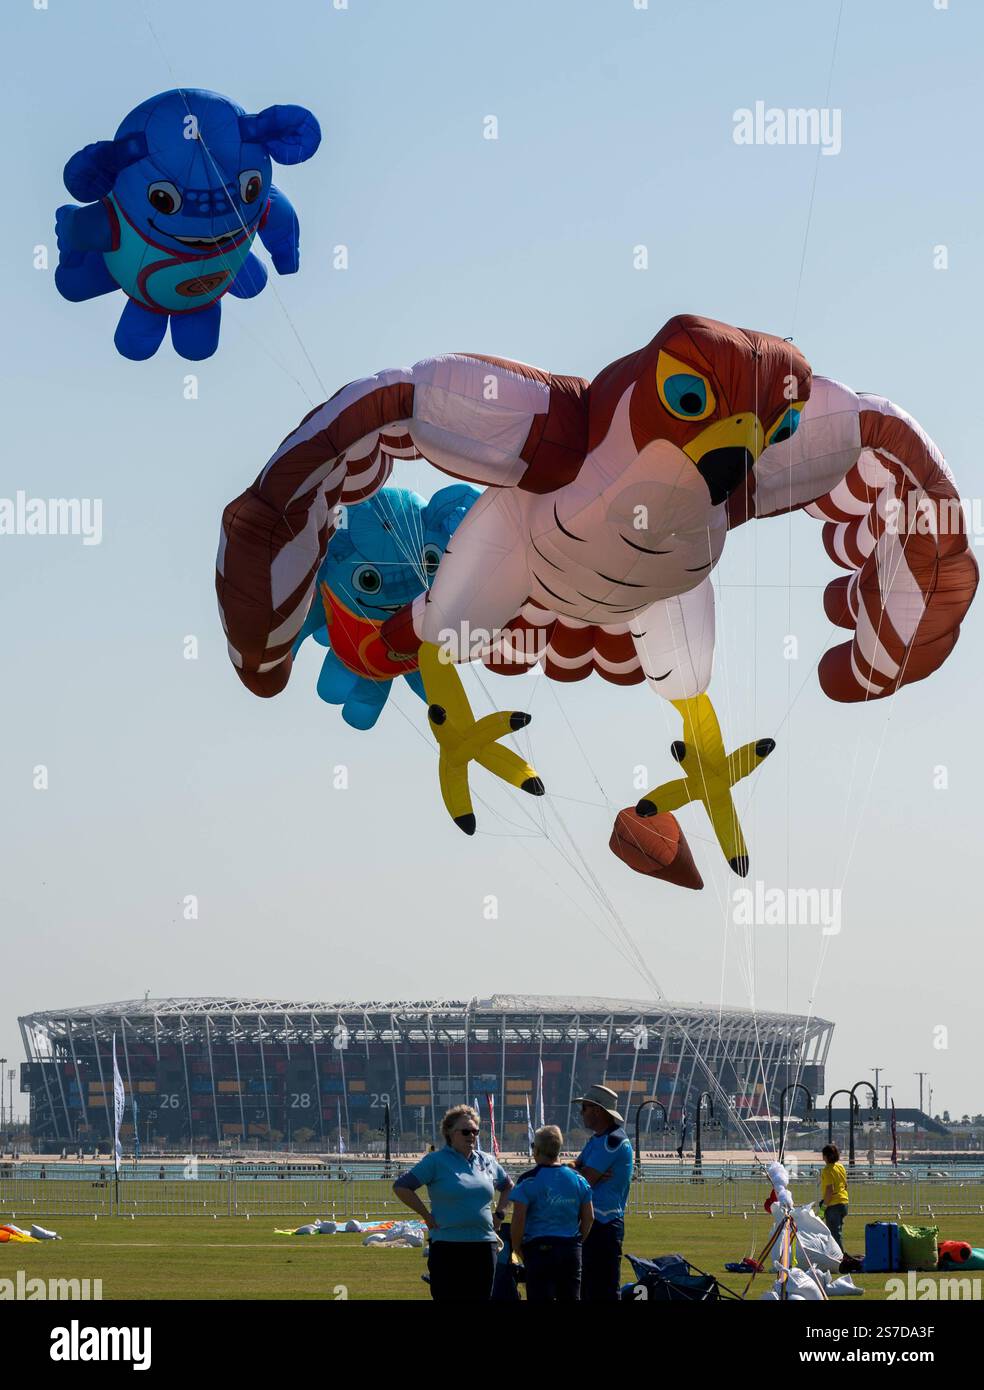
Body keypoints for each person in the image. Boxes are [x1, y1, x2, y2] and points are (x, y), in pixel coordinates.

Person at [393, 1104, 513, 1302]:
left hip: (484, 1246)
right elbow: (402, 1187)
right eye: (466, 1131)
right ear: (449, 1132)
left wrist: (500, 1214)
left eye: (475, 1131)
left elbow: (508, 1186)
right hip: (448, 1246)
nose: (472, 1136)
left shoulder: (487, 1160)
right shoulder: (435, 1161)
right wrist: (426, 1215)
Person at [509, 1125, 593, 1302]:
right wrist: (577, 1241)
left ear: (537, 1149)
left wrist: (518, 1248)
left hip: (539, 1250)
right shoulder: (578, 1179)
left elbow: (518, 1219)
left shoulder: (528, 1180)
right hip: (570, 1248)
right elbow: (589, 1217)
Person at [572, 1084, 634, 1301]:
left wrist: (580, 1171)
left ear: (597, 1110)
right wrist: (579, 1170)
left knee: (604, 1288)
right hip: (591, 1222)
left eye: (585, 1108)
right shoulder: (598, 1139)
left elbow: (583, 1180)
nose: (581, 1114)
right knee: (586, 1287)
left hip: (604, 1225)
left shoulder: (612, 1141)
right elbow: (577, 1169)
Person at [820, 1142, 849, 1248]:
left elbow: (829, 1190)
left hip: (833, 1205)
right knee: (837, 1232)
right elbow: (845, 1185)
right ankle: (840, 1258)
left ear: (826, 1156)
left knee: (834, 1235)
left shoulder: (827, 1170)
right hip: (844, 1203)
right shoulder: (840, 1167)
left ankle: (841, 1260)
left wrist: (823, 1208)